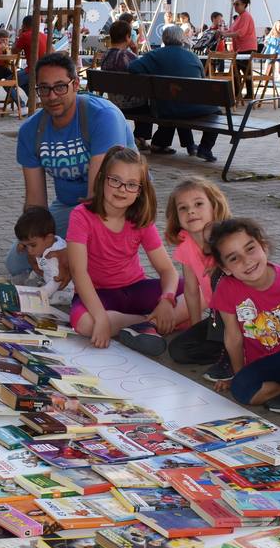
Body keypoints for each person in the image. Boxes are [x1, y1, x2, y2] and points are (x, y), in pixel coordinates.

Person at [9, 52, 135, 278]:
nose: (52, 96)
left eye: (60, 87)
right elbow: (36, 203)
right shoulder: (30, 131)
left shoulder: (102, 117)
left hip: (120, 204)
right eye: (44, 89)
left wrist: (70, 250)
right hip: (71, 207)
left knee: (85, 263)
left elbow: (99, 196)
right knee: (17, 262)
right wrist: (34, 242)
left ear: (76, 84)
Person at [66, 145, 184, 357]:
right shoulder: (81, 216)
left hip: (135, 288)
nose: (122, 189)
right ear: (102, 179)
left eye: (131, 185)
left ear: (140, 191)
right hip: (99, 294)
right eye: (115, 180)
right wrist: (101, 317)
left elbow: (168, 270)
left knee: (200, 291)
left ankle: (146, 321)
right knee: (85, 324)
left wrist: (167, 300)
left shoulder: (140, 219)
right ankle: (146, 323)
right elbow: (78, 272)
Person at [207, 217, 280, 414]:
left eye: (250, 249)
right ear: (225, 269)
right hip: (269, 363)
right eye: (234, 258)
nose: (246, 261)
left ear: (263, 246)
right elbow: (233, 337)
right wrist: (238, 375)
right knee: (241, 390)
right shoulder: (226, 288)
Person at [164, 177, 232, 376]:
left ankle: (238, 352)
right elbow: (191, 291)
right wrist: (194, 328)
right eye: (183, 208)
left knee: (218, 276)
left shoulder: (228, 239)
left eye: (198, 204)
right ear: (176, 217)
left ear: (214, 206)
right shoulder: (186, 245)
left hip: (244, 317)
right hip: (218, 319)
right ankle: (228, 350)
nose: (191, 211)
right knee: (178, 350)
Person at [129, 25, 220, 162]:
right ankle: (205, 148)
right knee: (216, 111)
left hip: (165, 109)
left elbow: (132, 67)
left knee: (175, 104)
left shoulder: (154, 55)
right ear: (182, 39)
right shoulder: (193, 57)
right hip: (190, 108)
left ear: (164, 39)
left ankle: (164, 144)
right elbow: (202, 80)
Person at [98, 19, 151, 150]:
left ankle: (137, 138)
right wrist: (135, 50)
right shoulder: (127, 56)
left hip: (112, 101)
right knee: (148, 104)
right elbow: (142, 74)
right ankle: (139, 137)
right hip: (132, 104)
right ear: (128, 37)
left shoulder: (105, 55)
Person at [14, 206, 72, 306]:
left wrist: (41, 294)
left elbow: (58, 280)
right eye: (25, 245)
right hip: (49, 280)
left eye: (32, 245)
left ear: (49, 238)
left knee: (54, 297)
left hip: (67, 289)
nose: (29, 250)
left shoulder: (54, 256)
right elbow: (42, 265)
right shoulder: (47, 244)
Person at [226, 0, 258, 104]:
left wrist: (225, 35)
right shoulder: (240, 17)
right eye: (234, 4)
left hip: (246, 48)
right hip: (240, 48)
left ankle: (237, 94)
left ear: (244, 5)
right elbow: (231, 31)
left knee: (237, 71)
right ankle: (240, 94)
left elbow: (241, 33)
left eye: (237, 4)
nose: (235, 6)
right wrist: (223, 32)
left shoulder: (246, 16)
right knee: (240, 71)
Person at [14, 15, 49, 94]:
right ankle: (33, 98)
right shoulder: (43, 35)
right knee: (23, 82)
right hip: (45, 70)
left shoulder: (24, 35)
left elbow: (14, 51)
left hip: (32, 71)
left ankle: (21, 105)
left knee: (8, 82)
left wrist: (18, 36)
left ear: (24, 25)